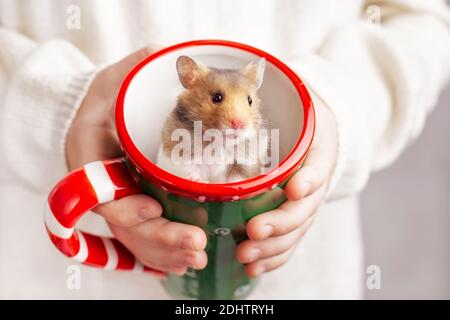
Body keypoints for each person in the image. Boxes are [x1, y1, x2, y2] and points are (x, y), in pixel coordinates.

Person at [0, 0, 449, 299]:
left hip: (298, 279)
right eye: (219, 100)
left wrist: (339, 105)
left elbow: (423, 20)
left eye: (246, 105)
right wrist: (52, 110)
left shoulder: (251, 131)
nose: (237, 117)